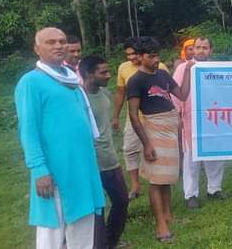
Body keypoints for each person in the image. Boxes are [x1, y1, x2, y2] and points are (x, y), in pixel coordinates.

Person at [14, 27, 105, 249]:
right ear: (37, 49)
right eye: (51, 42)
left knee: (83, 226)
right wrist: (39, 169)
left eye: (62, 41)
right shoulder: (31, 82)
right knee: (52, 236)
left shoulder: (72, 80)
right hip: (55, 170)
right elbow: (28, 130)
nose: (58, 46)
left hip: (82, 167)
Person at [126, 37, 194, 243]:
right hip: (154, 131)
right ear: (140, 57)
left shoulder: (163, 74)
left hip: (171, 130)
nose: (156, 59)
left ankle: (167, 215)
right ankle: (160, 225)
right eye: (151, 56)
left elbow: (182, 95)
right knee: (156, 181)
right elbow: (133, 114)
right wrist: (146, 143)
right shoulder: (136, 80)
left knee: (167, 178)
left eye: (158, 55)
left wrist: (189, 71)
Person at [80, 56, 129, 249]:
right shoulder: (78, 98)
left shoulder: (105, 93)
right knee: (96, 209)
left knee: (121, 201)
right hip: (90, 162)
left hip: (110, 159)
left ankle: (110, 242)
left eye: (109, 71)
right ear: (88, 74)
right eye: (103, 72)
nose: (109, 75)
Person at [112, 36, 169, 200]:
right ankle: (136, 185)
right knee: (130, 150)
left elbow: (167, 93)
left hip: (155, 119)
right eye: (128, 54)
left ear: (143, 53)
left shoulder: (160, 67)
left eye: (134, 54)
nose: (131, 58)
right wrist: (115, 116)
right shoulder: (123, 68)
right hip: (134, 119)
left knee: (156, 152)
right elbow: (120, 92)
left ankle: (157, 183)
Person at [172, 37, 226, 209]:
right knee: (191, 158)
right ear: (192, 50)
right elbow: (176, 93)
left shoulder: (217, 68)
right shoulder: (183, 68)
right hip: (191, 119)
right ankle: (191, 195)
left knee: (216, 155)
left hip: (214, 118)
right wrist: (178, 115)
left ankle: (214, 189)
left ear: (211, 50)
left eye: (205, 47)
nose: (201, 50)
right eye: (198, 47)